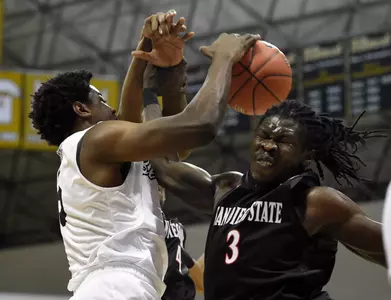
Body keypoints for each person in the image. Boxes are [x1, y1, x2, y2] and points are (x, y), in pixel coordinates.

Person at [28, 7, 261, 299]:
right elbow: (201, 126)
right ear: (82, 109)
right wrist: (225, 58)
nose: (110, 108)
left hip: (112, 286)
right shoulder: (95, 140)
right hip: (116, 286)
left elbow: (167, 144)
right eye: (101, 99)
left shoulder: (95, 155)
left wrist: (150, 55)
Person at [141, 75, 386, 299]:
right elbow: (163, 167)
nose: (268, 145)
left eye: (284, 141)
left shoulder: (316, 202)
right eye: (264, 136)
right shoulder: (226, 189)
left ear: (306, 154)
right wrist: (148, 92)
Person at [158, 186, 204, 300]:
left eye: (160, 188)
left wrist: (186, 258)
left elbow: (201, 283)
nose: (159, 189)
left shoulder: (178, 228)